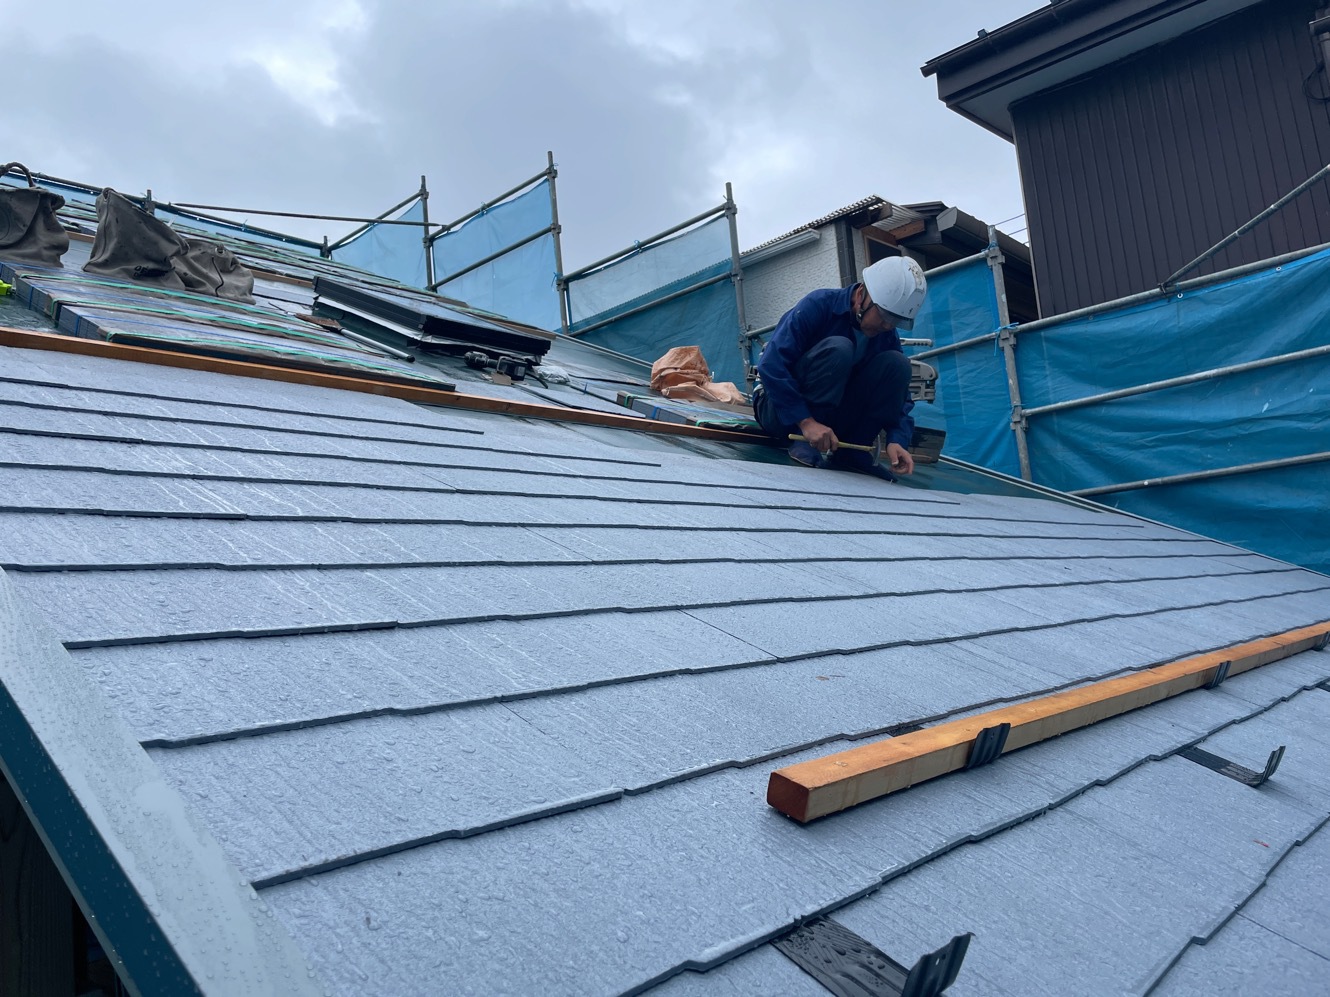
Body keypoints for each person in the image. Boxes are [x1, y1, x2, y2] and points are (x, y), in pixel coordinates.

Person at [752, 256, 927, 480]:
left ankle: (853, 451)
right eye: (884, 316)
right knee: (840, 348)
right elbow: (771, 365)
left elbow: (900, 394)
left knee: (897, 365)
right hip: (778, 410)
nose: (887, 325)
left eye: (895, 321)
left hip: (831, 420)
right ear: (862, 294)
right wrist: (806, 422)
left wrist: (897, 439)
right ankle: (805, 440)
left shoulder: (886, 335)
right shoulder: (819, 305)